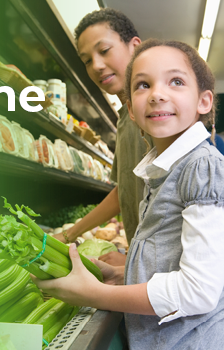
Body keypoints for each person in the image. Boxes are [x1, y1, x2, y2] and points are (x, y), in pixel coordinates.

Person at [33, 39, 224, 349]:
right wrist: (124, 274)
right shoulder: (164, 169)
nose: (157, 94)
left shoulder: (201, 167)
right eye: (142, 85)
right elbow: (173, 256)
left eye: (176, 81)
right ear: (132, 111)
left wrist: (93, 294)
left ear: (204, 101)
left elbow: (198, 291)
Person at [53, 9, 149, 266]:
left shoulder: (156, 114)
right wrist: (68, 234)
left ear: (134, 47)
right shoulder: (124, 119)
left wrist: (135, 263)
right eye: (86, 60)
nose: (96, 65)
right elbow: (125, 191)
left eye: (104, 50)